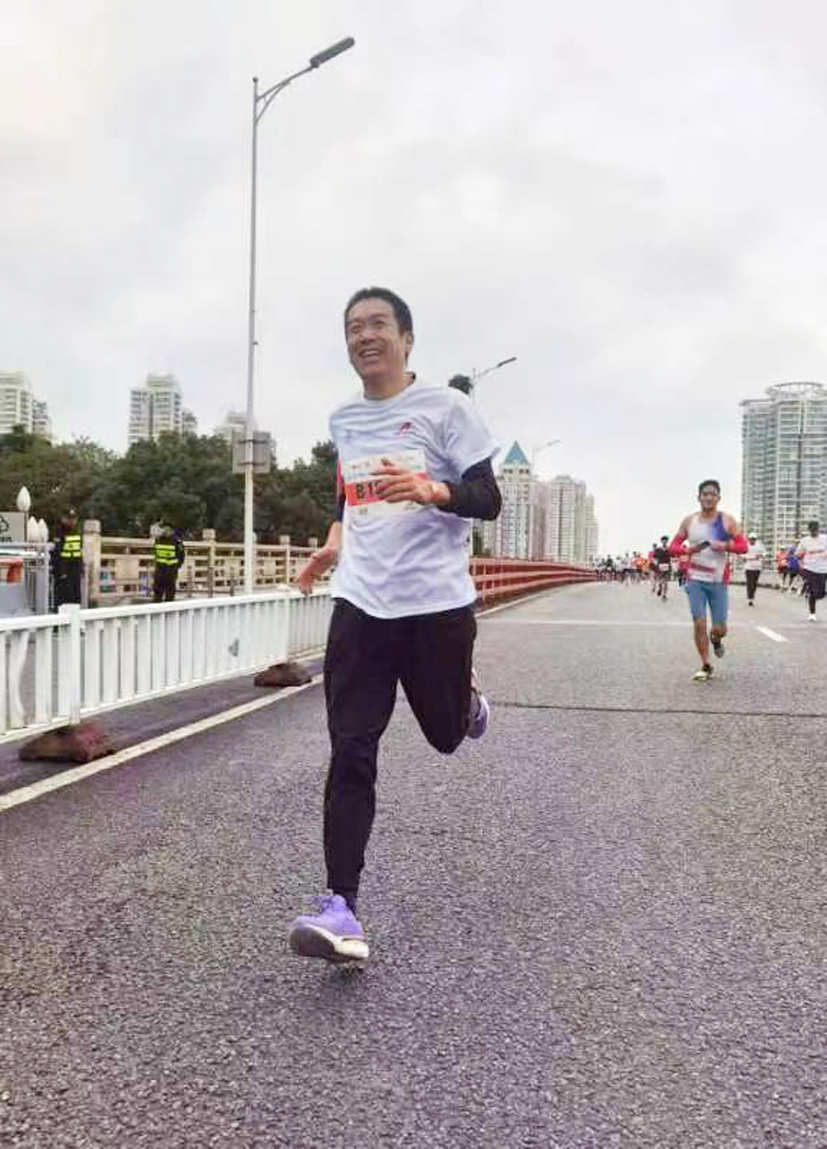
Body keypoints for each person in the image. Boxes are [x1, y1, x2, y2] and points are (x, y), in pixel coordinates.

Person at [287, 287, 502, 966]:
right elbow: (347, 495)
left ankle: (466, 702)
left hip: (434, 606)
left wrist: (435, 490)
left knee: (444, 735)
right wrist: (332, 542)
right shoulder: (344, 418)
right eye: (354, 327)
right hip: (361, 604)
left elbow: (488, 498)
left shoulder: (447, 408)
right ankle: (340, 908)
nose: (365, 336)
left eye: (378, 324)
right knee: (351, 748)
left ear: (407, 339)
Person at [669, 480, 748, 681]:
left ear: (718, 498)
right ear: (699, 497)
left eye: (713, 494)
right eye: (705, 494)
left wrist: (725, 545)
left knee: (720, 628)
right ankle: (705, 664)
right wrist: (687, 550)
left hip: (718, 581)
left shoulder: (727, 521)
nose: (708, 497)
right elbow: (673, 546)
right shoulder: (689, 521)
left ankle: (716, 639)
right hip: (695, 580)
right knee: (699, 623)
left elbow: (743, 546)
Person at [795, 521, 827, 621]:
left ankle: (815, 592)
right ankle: (812, 613)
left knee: (820, 594)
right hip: (809, 568)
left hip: (823, 569)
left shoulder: (825, 539)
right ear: (809, 530)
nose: (814, 532)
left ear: (818, 529)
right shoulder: (804, 541)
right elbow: (797, 554)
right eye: (812, 531)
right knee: (812, 592)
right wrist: (801, 563)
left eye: (815, 530)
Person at [51, 509, 83, 608]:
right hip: (64, 570)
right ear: (63, 519)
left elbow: (78, 551)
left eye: (73, 519)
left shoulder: (77, 531)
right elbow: (57, 553)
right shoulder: (59, 531)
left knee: (76, 597)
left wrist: (81, 568)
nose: (72, 521)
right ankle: (59, 617)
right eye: (69, 519)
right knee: (63, 599)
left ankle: (76, 616)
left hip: (75, 569)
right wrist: (62, 572)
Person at [152, 525, 185, 603]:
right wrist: (178, 565)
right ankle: (165, 605)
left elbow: (155, 553)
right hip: (168, 568)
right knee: (168, 589)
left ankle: (158, 605)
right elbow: (181, 555)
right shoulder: (176, 541)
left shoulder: (158, 540)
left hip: (162, 568)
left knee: (160, 589)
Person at [743, 533, 766, 606]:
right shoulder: (746, 545)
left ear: (756, 539)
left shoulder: (760, 545)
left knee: (754, 583)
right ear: (749, 539)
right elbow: (742, 554)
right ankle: (750, 598)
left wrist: (761, 556)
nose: (752, 540)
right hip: (748, 567)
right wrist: (746, 558)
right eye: (751, 539)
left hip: (757, 567)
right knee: (750, 583)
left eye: (754, 539)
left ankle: (752, 596)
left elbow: (764, 553)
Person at [651, 536, 672, 600]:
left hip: (667, 566)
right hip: (660, 566)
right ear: (661, 541)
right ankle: (660, 587)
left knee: (666, 582)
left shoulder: (670, 549)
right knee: (660, 580)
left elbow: (673, 557)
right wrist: (655, 565)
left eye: (666, 540)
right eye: (663, 540)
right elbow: (654, 558)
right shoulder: (658, 549)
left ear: (667, 541)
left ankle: (664, 595)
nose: (664, 541)